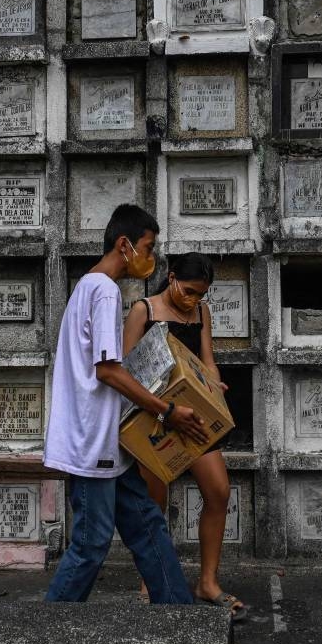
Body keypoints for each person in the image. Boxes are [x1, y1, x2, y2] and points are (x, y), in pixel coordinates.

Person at [43, 204, 210, 604]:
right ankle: (45, 628)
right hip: (92, 446)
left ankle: (178, 614)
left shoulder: (87, 287)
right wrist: (166, 411)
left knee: (148, 527)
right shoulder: (103, 290)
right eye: (148, 248)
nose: (152, 260)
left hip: (108, 445)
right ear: (125, 245)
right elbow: (108, 371)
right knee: (90, 545)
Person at [123, 252, 248, 621]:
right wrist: (164, 406)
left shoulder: (201, 313)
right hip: (157, 417)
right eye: (189, 291)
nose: (194, 301)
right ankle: (152, 580)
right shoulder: (143, 311)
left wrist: (212, 386)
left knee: (218, 491)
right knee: (154, 501)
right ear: (172, 277)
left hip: (196, 417)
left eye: (201, 295)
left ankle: (207, 583)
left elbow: (206, 358)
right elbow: (129, 370)